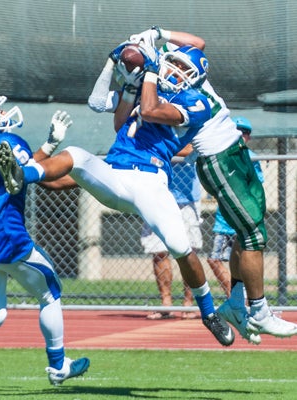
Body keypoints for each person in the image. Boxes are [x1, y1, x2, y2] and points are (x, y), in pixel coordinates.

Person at [0, 38, 236, 347]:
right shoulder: (146, 86)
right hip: (115, 172)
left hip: (151, 181)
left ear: (194, 77)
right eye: (173, 63)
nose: (174, 70)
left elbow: (150, 111)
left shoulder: (196, 101)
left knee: (181, 247)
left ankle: (209, 313)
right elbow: (103, 107)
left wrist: (148, 71)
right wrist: (118, 70)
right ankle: (21, 173)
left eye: (181, 67)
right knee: (77, 155)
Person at [126, 26, 297, 345]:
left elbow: (198, 44)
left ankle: (235, 300)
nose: (181, 72)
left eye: (185, 68)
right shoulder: (170, 95)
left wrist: (158, 33)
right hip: (220, 162)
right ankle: (258, 310)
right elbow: (149, 110)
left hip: (238, 154)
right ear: (161, 67)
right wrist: (149, 65)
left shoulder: (189, 75)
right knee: (253, 235)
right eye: (175, 67)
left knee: (251, 230)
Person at [0, 96, 90, 385]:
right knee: (50, 291)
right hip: (6, 236)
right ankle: (58, 364)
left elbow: (19, 171)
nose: (2, 111)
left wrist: (49, 146)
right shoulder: (9, 141)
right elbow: (34, 176)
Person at [207, 116, 264, 300]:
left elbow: (255, 187)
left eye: (244, 132)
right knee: (215, 259)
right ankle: (236, 298)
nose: (240, 135)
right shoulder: (222, 155)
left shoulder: (250, 157)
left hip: (244, 221)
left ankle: (243, 299)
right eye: (236, 131)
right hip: (224, 221)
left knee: (245, 258)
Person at [141, 153, 203, 320]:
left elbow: (191, 148)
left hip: (187, 198)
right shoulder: (153, 126)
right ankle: (166, 303)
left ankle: (188, 303)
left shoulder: (187, 126)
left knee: (189, 252)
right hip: (156, 196)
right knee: (158, 251)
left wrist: (164, 149)